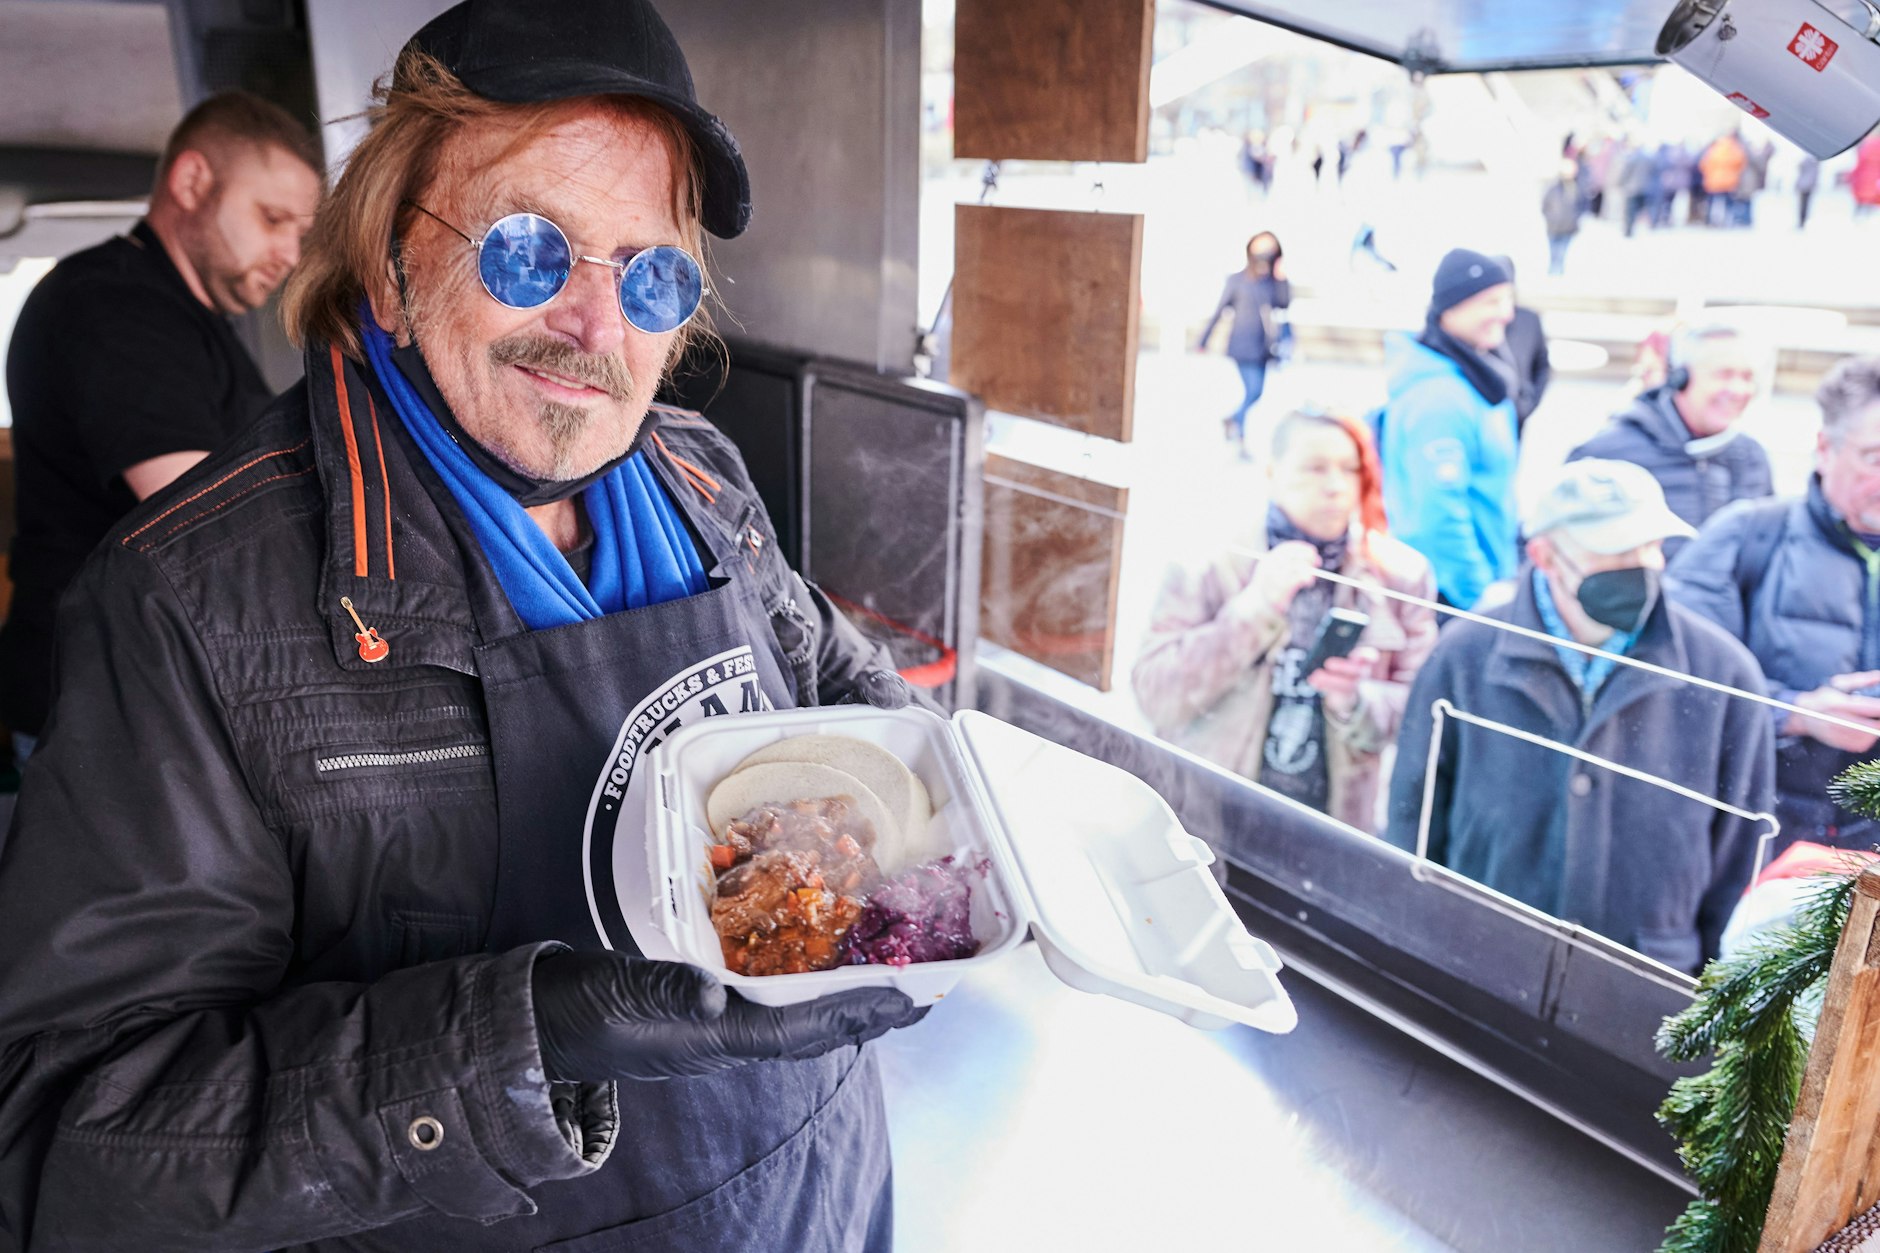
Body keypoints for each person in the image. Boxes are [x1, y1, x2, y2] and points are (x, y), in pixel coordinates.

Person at [0, 3, 930, 1248]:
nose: (598, 328)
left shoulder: (699, 472)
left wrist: (965, 790)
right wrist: (521, 1044)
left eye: (649, 273)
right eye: (529, 252)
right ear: (390, 264)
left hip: (815, 1192)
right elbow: (65, 1144)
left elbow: (826, 673)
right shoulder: (189, 602)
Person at [0, 91, 322, 758]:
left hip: (141, 691)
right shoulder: (115, 305)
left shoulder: (189, 321)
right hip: (100, 703)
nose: (290, 254)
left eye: (300, 231)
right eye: (271, 219)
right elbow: (207, 518)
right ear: (192, 181)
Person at [1386, 459, 1774, 974]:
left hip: (1647, 984)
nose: (1641, 566)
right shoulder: (1463, 657)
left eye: (1651, 545)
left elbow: (1737, 863)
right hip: (1482, 964)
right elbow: (1414, 825)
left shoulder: (1725, 677)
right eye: (1615, 549)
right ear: (1544, 555)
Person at [1133, 409, 1437, 830]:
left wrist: (1354, 701)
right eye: (1314, 468)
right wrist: (1254, 610)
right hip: (1211, 816)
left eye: (1350, 470)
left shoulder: (1398, 576)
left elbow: (1426, 715)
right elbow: (1156, 696)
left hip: (1336, 829)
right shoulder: (1211, 562)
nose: (1334, 487)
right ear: (1273, 472)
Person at [1668, 356, 1880, 853]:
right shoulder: (1747, 536)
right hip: (1762, 841)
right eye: (1876, 457)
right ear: (1825, 449)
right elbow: (1670, 677)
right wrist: (1797, 713)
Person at [1378, 249, 1520, 609]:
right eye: (1490, 301)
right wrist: (1480, 596)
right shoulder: (1439, 398)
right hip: (1448, 595)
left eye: (1506, 299)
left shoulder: (1475, 374)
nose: (1506, 313)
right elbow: (1438, 514)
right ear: (1451, 307)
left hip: (1482, 578)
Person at [1568, 323, 1771, 560]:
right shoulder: (1607, 453)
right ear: (1680, 378)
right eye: (1723, 375)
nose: (1738, 389)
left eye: (1747, 377)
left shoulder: (1751, 457)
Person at [1199, 231, 1290, 458]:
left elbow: (1283, 303)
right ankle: (1237, 429)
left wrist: (1280, 276)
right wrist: (1203, 339)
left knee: (1256, 393)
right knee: (1253, 391)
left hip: (1264, 348)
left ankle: (1235, 424)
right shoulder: (1237, 280)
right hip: (1242, 346)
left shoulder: (1271, 281)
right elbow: (1219, 311)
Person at [1495, 256, 1552, 435]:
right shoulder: (1481, 320)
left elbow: (1542, 365)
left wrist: (1528, 403)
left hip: (1517, 411)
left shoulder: (1528, 320)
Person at [1541, 158, 1584, 276]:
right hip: (1554, 225)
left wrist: (1576, 218)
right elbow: (1545, 205)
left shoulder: (1576, 187)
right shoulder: (1553, 187)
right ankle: (1553, 269)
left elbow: (1582, 205)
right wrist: (1550, 218)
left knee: (1562, 251)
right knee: (1554, 250)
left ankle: (1558, 270)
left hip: (1569, 225)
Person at [1699, 131, 1746, 227]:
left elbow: (1703, 164)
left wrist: (1709, 174)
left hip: (1714, 181)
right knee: (1729, 202)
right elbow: (1741, 162)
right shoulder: (1734, 148)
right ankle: (1728, 220)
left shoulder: (1713, 149)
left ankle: (1710, 221)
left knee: (1712, 202)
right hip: (1729, 181)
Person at [1798, 154, 1821, 230]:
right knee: (1804, 205)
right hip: (1806, 185)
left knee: (1803, 205)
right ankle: (1802, 222)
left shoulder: (1809, 161)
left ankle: (1802, 222)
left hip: (1805, 185)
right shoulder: (1815, 163)